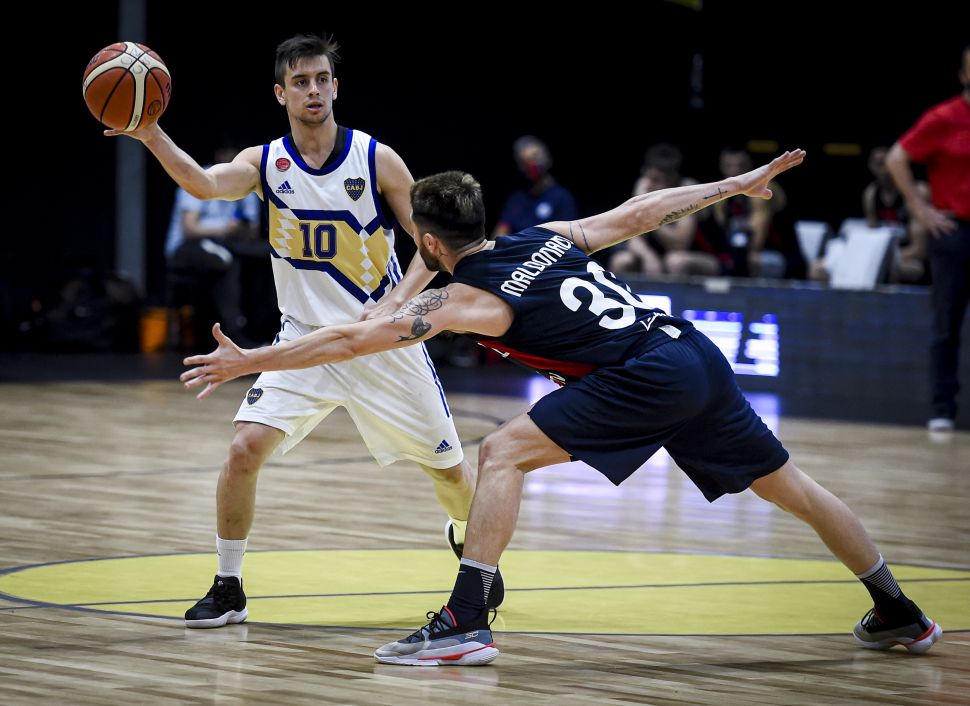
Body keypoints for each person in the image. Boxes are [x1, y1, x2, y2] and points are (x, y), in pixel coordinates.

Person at [181, 149, 942, 664]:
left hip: (645, 374)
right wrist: (731, 187)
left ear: (428, 244)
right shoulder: (546, 236)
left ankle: (465, 621)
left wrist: (253, 360)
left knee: (501, 452)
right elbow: (642, 212)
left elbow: (349, 340)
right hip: (691, 354)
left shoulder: (461, 300)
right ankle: (898, 610)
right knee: (793, 488)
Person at [106, 33, 502, 628]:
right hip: (303, 340)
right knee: (243, 449)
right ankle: (229, 586)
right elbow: (205, 185)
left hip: (380, 343)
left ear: (335, 88)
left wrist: (395, 302)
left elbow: (433, 244)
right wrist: (150, 134)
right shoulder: (264, 162)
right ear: (281, 93)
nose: (312, 90)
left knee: (450, 475)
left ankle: (470, 545)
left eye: (321, 80)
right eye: (300, 82)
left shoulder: (377, 160)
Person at [886, 45, 970, 433]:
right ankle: (942, 409)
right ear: (964, 75)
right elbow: (896, 158)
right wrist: (921, 210)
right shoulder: (944, 118)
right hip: (955, 233)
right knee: (947, 324)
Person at [165, 146, 264, 344]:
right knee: (225, 260)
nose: (230, 158)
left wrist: (241, 229)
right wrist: (225, 229)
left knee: (268, 254)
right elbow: (190, 229)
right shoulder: (201, 176)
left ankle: (264, 327)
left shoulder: (249, 180)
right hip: (189, 245)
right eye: (225, 154)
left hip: (226, 242)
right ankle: (233, 331)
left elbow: (252, 231)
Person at [608, 143, 723, 277]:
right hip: (662, 256)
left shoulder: (687, 191)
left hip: (705, 258)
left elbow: (679, 244)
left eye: (656, 180)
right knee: (623, 260)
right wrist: (648, 256)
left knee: (675, 261)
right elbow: (633, 238)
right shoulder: (645, 186)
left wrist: (647, 212)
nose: (650, 185)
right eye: (649, 178)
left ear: (671, 179)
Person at [492, 136, 577, 237]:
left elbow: (566, 236)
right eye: (525, 162)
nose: (531, 165)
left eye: (534, 159)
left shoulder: (562, 198)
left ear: (547, 159)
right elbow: (501, 231)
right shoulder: (516, 200)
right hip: (517, 247)